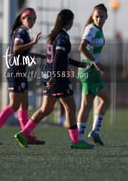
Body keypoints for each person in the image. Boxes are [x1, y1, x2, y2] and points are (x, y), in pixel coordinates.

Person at [14, 9, 93, 149]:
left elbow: (61, 57)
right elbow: (57, 58)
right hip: (57, 78)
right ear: (69, 22)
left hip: (48, 75)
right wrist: (55, 77)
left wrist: (78, 64)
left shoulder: (53, 36)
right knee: (70, 107)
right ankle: (76, 141)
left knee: (46, 109)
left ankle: (23, 133)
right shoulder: (62, 37)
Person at [0, 7, 45, 145]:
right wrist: (33, 44)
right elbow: (17, 48)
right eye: (29, 18)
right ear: (22, 19)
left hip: (20, 71)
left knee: (24, 104)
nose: (32, 21)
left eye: (34, 19)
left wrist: (39, 55)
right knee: (14, 104)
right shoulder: (21, 31)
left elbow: (21, 52)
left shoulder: (23, 32)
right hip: (15, 71)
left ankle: (26, 135)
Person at [77, 3, 110, 146]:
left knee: (106, 100)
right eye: (97, 16)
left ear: (106, 17)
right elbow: (81, 47)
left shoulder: (99, 30)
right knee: (86, 105)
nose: (99, 19)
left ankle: (95, 131)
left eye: (102, 16)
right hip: (88, 70)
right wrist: (95, 62)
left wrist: (96, 64)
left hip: (94, 71)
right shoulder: (91, 29)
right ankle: (78, 138)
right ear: (93, 16)